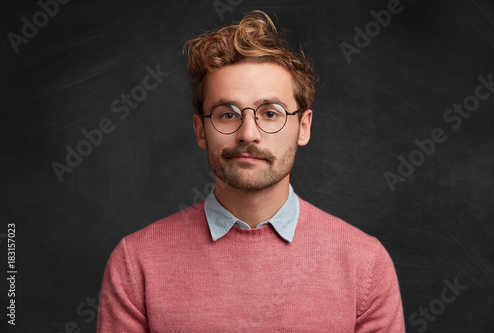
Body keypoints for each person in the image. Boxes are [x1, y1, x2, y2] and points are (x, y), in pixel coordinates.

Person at [97, 10, 405, 332]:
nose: (248, 133)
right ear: (201, 131)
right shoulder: (136, 262)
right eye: (226, 114)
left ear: (303, 127)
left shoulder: (365, 265)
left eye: (270, 113)